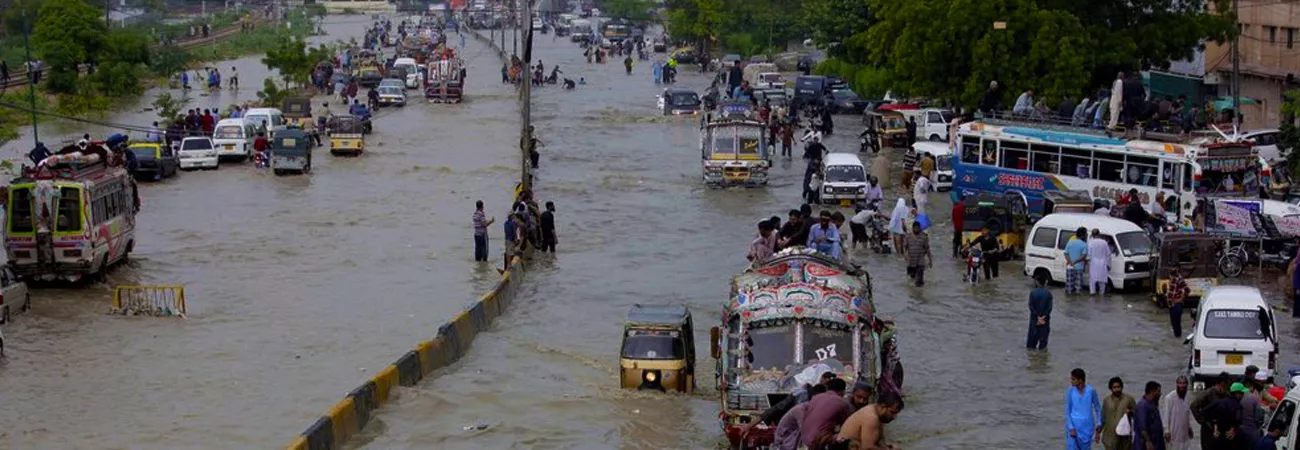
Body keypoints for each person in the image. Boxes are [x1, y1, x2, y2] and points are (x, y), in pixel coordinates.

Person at [837, 390, 905, 450]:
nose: (894, 417)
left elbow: (879, 439)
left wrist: (888, 447)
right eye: (892, 412)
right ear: (883, 406)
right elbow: (867, 447)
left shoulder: (875, 410)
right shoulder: (872, 418)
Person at [800, 378, 851, 449]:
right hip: (818, 440)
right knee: (846, 436)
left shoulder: (815, 398)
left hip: (804, 438)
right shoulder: (842, 402)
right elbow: (846, 424)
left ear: (827, 388)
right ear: (843, 391)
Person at [773, 383, 825, 450]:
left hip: (790, 438)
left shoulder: (809, 408)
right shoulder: (801, 410)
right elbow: (805, 430)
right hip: (784, 441)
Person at [1192, 374, 1234, 450]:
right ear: (1222, 383)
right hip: (1208, 429)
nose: (1228, 388)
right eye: (1227, 385)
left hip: (1222, 429)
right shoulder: (1208, 393)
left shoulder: (1226, 395)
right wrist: (1203, 421)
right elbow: (1194, 406)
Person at [1066, 368, 1103, 450]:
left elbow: (1097, 408)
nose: (1071, 381)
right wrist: (1071, 427)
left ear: (1080, 380)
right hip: (1074, 427)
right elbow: (1068, 411)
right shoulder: (1070, 391)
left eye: (1073, 379)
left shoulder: (1091, 391)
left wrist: (1099, 423)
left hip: (1087, 428)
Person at [1101, 377, 1137, 450]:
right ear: (1110, 389)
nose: (1117, 389)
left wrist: (1130, 412)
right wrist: (1098, 432)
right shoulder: (1106, 401)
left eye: (1118, 387)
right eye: (1114, 387)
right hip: (1109, 436)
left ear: (1122, 387)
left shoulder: (1129, 399)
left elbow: (1137, 415)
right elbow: (1103, 417)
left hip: (1124, 437)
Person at [1161, 376, 1195, 450]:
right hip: (1173, 434)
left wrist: (1190, 428)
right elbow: (1166, 415)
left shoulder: (1187, 396)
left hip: (1184, 435)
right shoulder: (1169, 397)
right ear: (1176, 384)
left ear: (1187, 385)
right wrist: (1166, 431)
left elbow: (1188, 414)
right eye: (1180, 383)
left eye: (1184, 383)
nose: (1182, 385)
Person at [1134, 381, 1166, 450]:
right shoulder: (1142, 406)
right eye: (1158, 391)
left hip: (1157, 443)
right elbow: (1142, 428)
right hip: (1146, 445)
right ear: (1152, 392)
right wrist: (1148, 441)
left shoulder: (1153, 404)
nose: (1160, 393)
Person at [1027, 273, 1052, 349]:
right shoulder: (1048, 294)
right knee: (1043, 342)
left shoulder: (1033, 293)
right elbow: (1049, 308)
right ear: (1045, 282)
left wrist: (1038, 317)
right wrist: (1043, 317)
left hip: (1034, 320)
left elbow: (1031, 306)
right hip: (1045, 320)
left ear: (1037, 282)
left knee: (1031, 344)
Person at [903, 221, 931, 286]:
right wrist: (905, 254)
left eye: (918, 228)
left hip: (920, 261)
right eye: (915, 228)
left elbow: (927, 249)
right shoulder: (908, 236)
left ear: (920, 228)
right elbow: (905, 247)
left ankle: (919, 290)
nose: (916, 230)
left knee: (919, 281)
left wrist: (930, 260)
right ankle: (913, 291)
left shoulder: (924, 237)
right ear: (912, 228)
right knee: (912, 279)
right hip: (911, 261)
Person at [1064, 227, 1089, 294]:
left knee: (1069, 286)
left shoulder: (1070, 242)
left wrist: (1070, 262)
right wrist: (1075, 262)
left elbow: (1066, 253)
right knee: (1078, 287)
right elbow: (1083, 256)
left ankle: (1069, 299)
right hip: (1079, 268)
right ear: (1083, 235)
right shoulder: (1084, 245)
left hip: (1070, 267)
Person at [1166, 271, 1191, 337]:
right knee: (1175, 323)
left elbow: (1188, 290)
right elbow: (1171, 292)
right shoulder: (1174, 280)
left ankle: (1178, 336)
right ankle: (1178, 336)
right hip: (1172, 305)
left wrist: (1181, 299)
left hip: (1176, 305)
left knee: (1176, 323)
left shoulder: (1178, 280)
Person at [1087, 229, 1110, 295]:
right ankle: (1101, 295)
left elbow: (1088, 255)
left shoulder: (1091, 243)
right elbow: (1108, 254)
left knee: (1092, 281)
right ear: (1099, 234)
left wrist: (1088, 265)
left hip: (1093, 264)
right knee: (1102, 281)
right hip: (1103, 263)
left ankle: (1092, 294)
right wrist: (1108, 264)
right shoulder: (1104, 242)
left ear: (1092, 235)